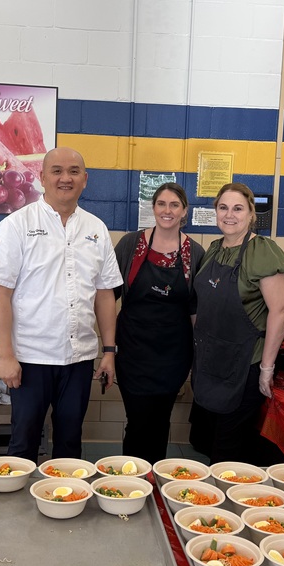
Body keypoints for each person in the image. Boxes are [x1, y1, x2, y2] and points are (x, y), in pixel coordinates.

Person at [0, 147, 122, 462]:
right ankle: (18, 494)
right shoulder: (17, 225)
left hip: (79, 358)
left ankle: (64, 492)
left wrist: (109, 352)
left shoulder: (96, 229)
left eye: (73, 171)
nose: (65, 178)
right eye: (57, 171)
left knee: (70, 442)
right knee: (23, 441)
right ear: (42, 177)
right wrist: (5, 356)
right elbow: (0, 294)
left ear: (85, 179)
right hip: (30, 358)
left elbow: (105, 294)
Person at [190, 182, 284, 464]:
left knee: (227, 451)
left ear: (251, 214)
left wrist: (266, 369)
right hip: (211, 363)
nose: (229, 215)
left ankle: (227, 492)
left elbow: (280, 310)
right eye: (223, 208)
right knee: (207, 442)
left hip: (244, 365)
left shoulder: (262, 251)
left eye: (238, 208)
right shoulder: (214, 249)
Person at [112, 182, 205, 463]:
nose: (167, 210)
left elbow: (195, 309)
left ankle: (154, 480)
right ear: (153, 208)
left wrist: (200, 357)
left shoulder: (195, 253)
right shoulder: (130, 245)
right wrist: (107, 349)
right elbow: (108, 296)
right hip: (133, 350)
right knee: (138, 419)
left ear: (184, 211)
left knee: (161, 420)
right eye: (162, 204)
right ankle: (133, 480)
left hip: (173, 353)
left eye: (174, 205)